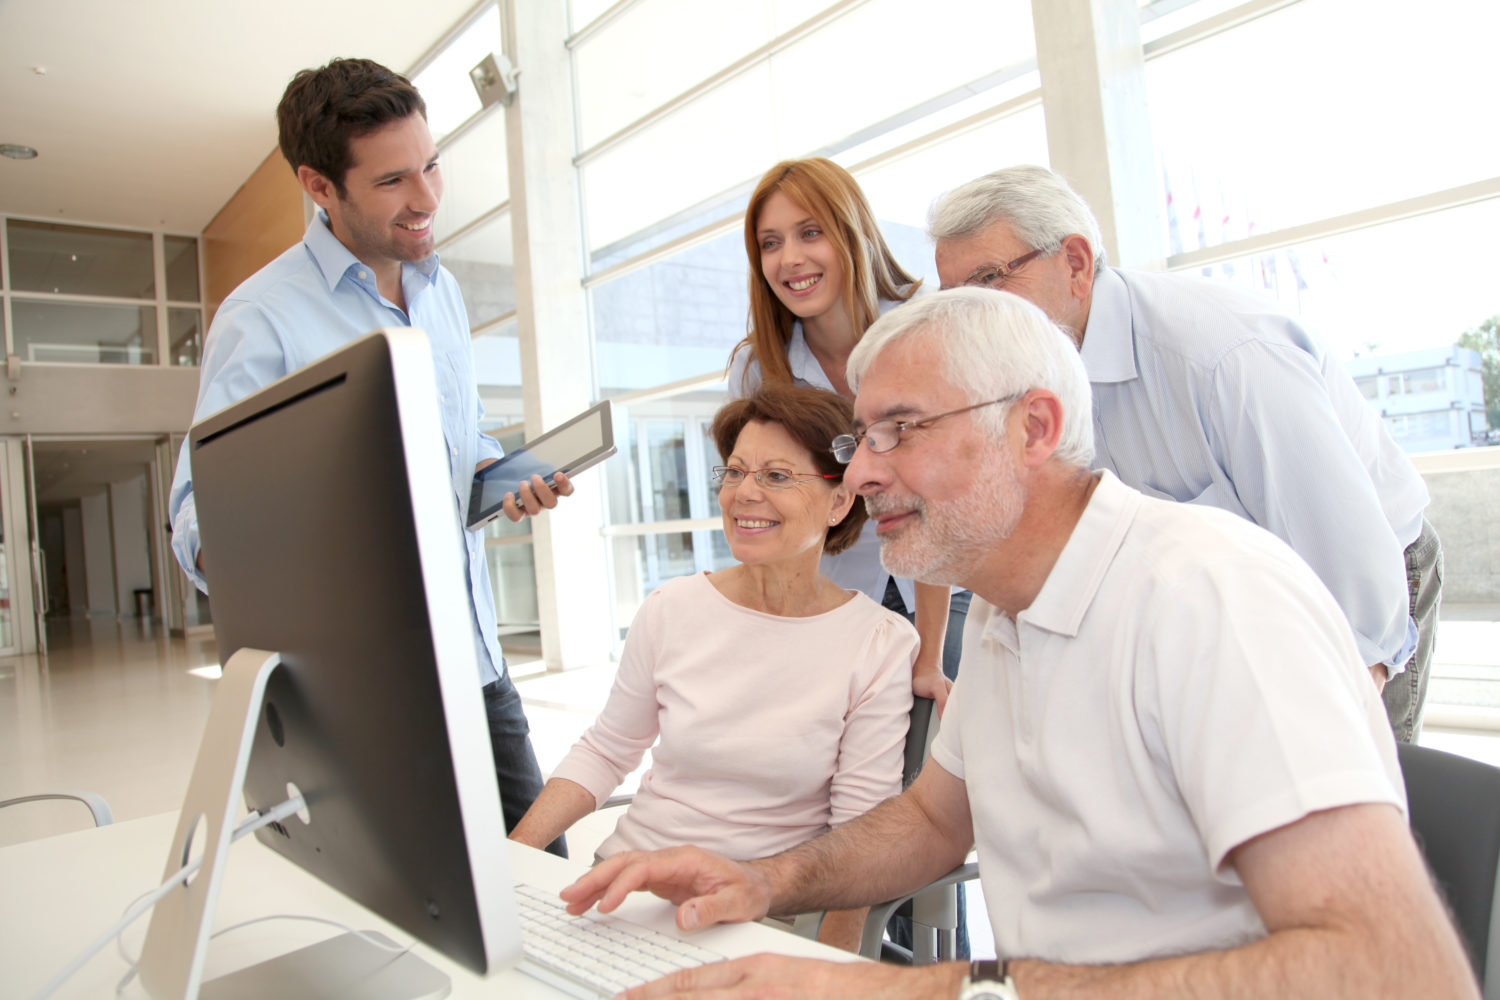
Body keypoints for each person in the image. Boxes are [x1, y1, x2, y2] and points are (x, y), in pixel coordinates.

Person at [556, 289, 1477, 1000]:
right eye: (860, 435)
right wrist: (764, 881)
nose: (865, 470)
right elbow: (930, 821)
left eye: (901, 430)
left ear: (1033, 428)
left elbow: (1395, 971)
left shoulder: (1209, 594)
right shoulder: (1002, 610)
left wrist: (916, 988)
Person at [166, 58, 568, 853]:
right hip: (369, 695)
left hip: (477, 663)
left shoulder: (438, 289)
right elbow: (198, 520)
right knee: (419, 911)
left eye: (431, 166)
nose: (426, 199)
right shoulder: (263, 319)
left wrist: (498, 478)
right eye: (392, 181)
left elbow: (461, 441)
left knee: (546, 886)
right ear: (320, 187)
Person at [928, 165, 1440, 743]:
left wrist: (1337, 739)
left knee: (1357, 793)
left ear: (1075, 263)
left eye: (989, 280)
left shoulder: (1226, 355)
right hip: (1221, 596)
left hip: (1360, 578)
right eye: (956, 298)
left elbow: (1351, 574)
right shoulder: (1026, 379)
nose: (973, 316)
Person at [510, 383, 916, 952]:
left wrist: (836, 969)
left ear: (838, 501)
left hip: (752, 915)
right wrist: (511, 858)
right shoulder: (672, 607)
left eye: (776, 476)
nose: (743, 494)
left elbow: (859, 834)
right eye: (733, 472)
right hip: (625, 882)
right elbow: (606, 750)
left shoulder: (878, 643)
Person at [726, 158, 966, 714]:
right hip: (831, 597)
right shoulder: (759, 370)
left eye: (810, 232)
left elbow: (941, 497)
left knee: (949, 768)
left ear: (851, 231)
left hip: (943, 589)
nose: (790, 259)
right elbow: (759, 507)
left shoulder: (924, 330)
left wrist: (928, 655)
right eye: (770, 243)